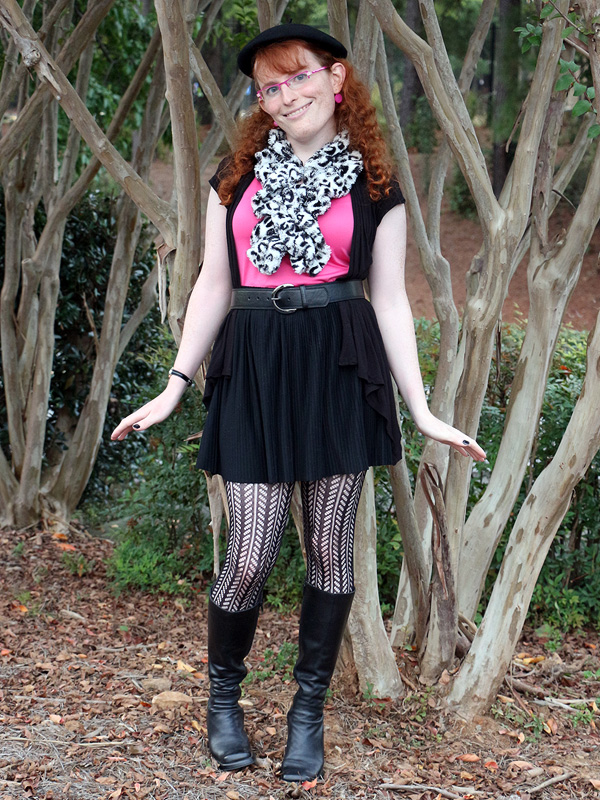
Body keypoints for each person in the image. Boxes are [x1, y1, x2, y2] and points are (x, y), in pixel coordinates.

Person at [111, 23, 486, 783]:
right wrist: (176, 384)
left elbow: (389, 300)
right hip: (254, 362)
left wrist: (420, 409)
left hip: (339, 364)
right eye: (268, 88)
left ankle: (307, 711)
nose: (284, 96)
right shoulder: (236, 175)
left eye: (298, 77)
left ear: (335, 78)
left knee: (331, 549)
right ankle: (224, 700)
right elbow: (214, 282)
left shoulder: (376, 185)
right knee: (248, 553)